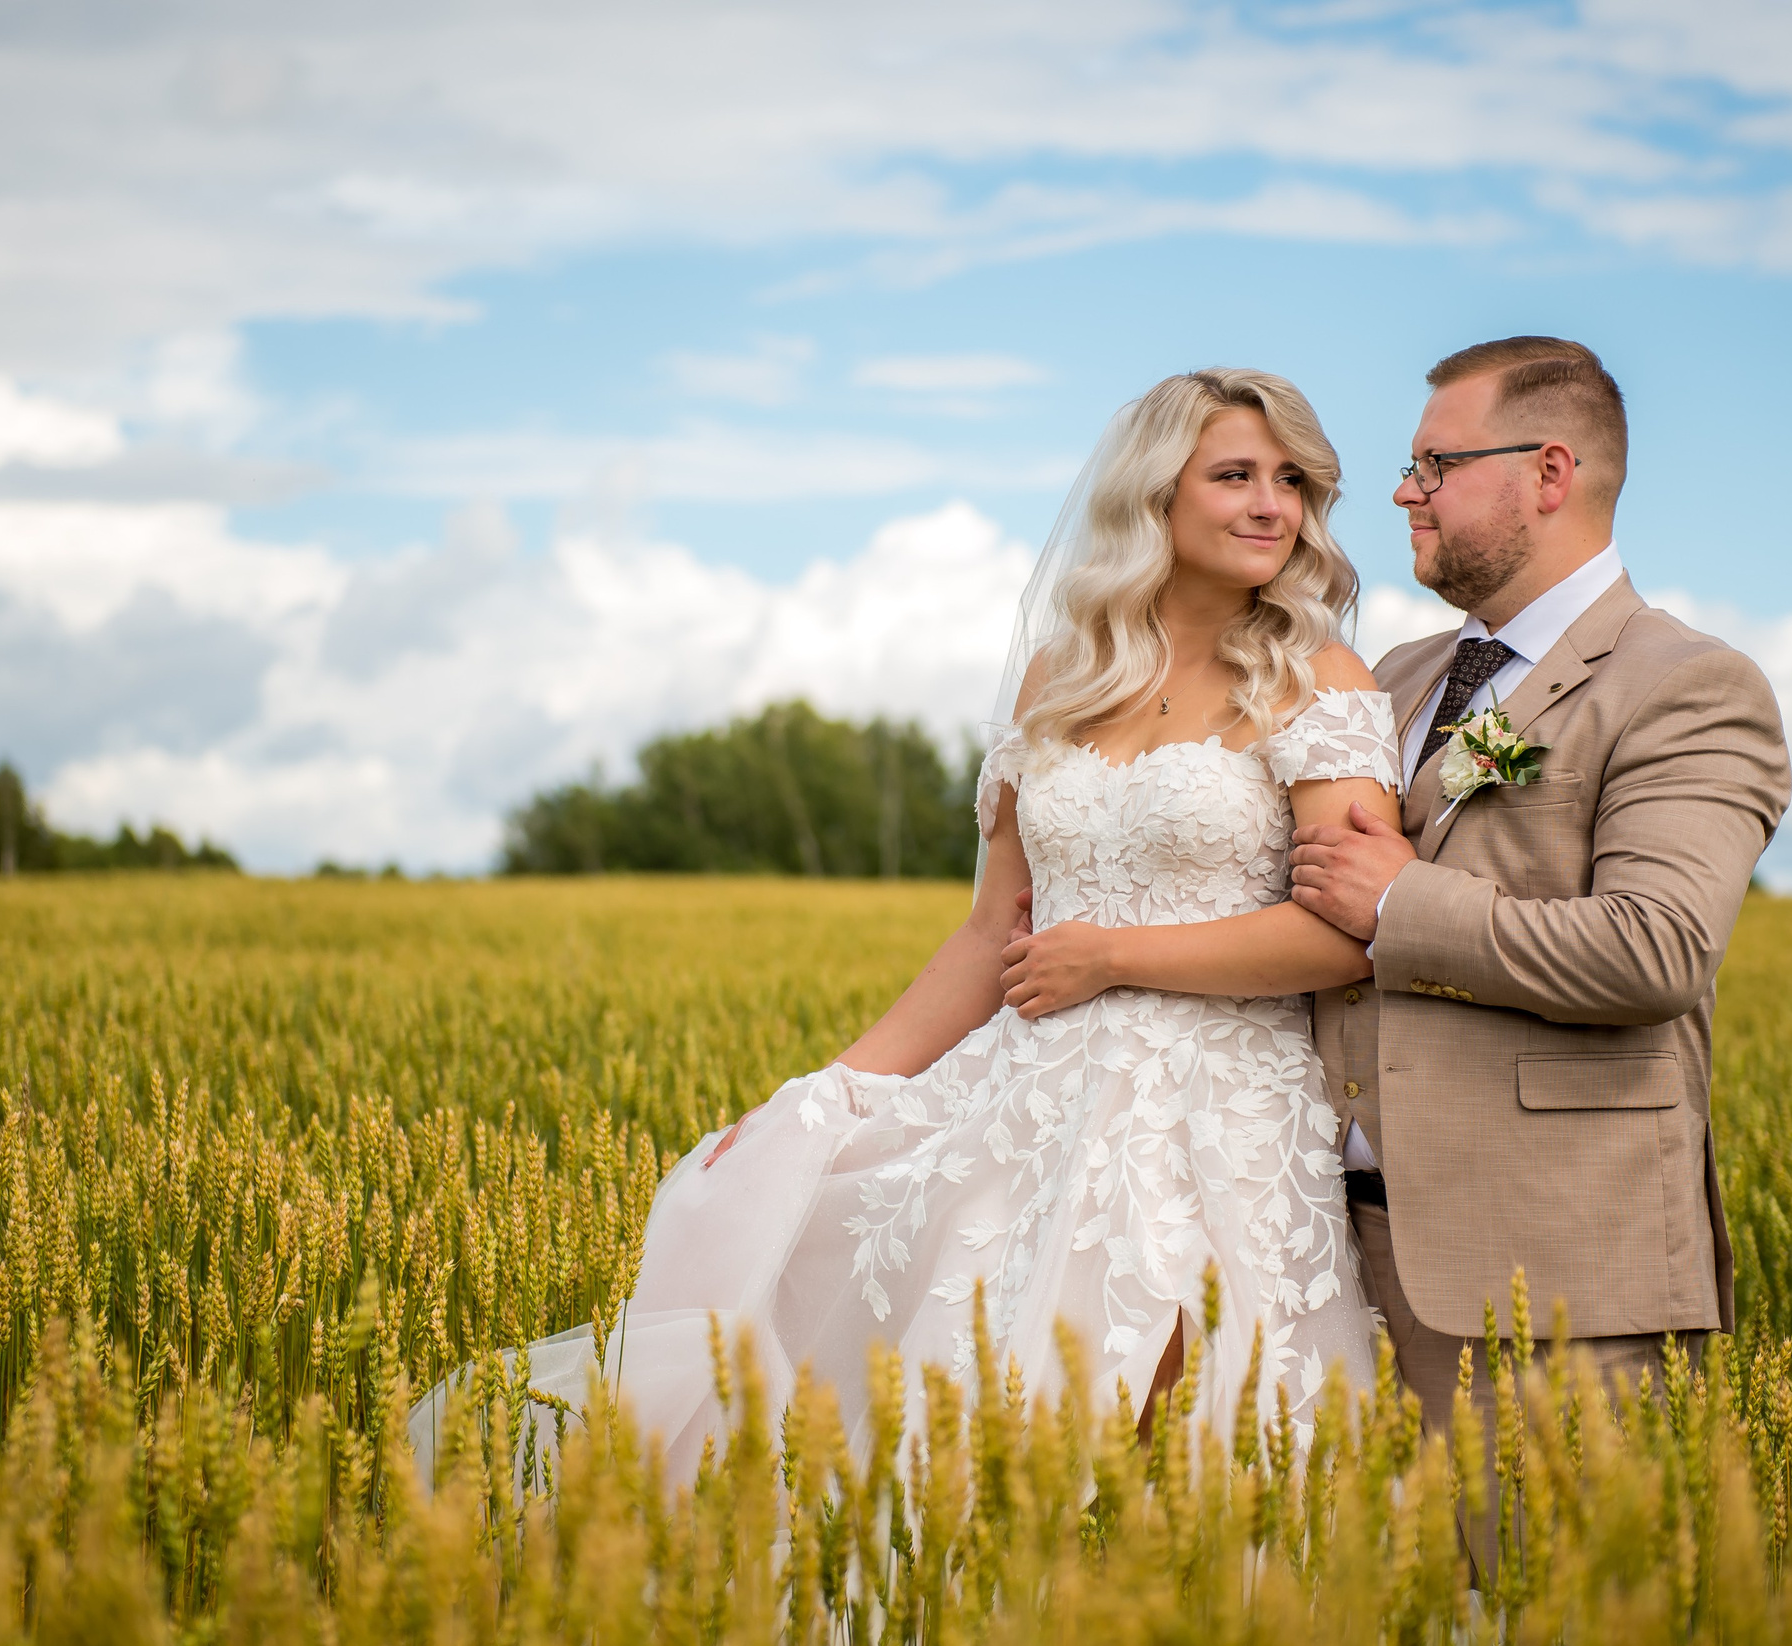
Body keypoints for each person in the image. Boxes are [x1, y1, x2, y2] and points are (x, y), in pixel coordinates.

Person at [412, 369, 1400, 1481]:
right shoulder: (1060, 681)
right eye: (1235, 475)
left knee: (1163, 1447)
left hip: (1220, 1123)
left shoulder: (1318, 680)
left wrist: (1111, 954)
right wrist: (820, 1097)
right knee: (976, 1439)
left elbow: (1348, 935)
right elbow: (990, 935)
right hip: (1030, 1105)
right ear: (1153, 495)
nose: (1273, 504)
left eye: (1293, 482)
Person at [1286, 337, 1791, 1574]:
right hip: (1320, 1262)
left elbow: (1655, 948)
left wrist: (1402, 903)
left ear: (1548, 470)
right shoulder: (1391, 679)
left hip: (1549, 1283)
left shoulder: (1688, 685)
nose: (1403, 493)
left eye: (1433, 465)